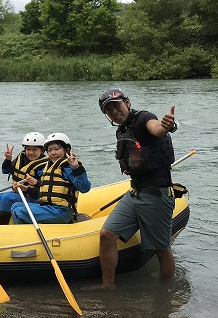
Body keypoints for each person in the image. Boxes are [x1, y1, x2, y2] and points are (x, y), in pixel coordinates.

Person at [96, 88, 177, 287]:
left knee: (161, 250)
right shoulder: (121, 130)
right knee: (106, 235)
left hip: (156, 194)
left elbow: (156, 128)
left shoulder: (143, 118)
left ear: (128, 103)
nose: (115, 112)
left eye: (117, 105)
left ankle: (165, 294)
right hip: (135, 193)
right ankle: (108, 287)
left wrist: (168, 126)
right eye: (109, 110)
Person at [10, 132, 90, 225]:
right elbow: (46, 189)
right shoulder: (48, 166)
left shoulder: (68, 167)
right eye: (49, 150)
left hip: (61, 211)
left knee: (19, 211)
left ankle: (23, 234)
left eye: (56, 149)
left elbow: (84, 188)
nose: (53, 153)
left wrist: (76, 167)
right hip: (47, 207)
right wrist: (25, 188)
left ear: (66, 150)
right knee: (15, 206)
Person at [0, 132, 48, 225]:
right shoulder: (21, 157)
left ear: (42, 151)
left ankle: (3, 227)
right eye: (28, 149)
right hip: (18, 193)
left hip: (34, 197)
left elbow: (43, 187)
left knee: (7, 198)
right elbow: (5, 171)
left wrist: (35, 183)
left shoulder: (44, 165)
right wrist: (8, 160)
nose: (30, 152)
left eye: (35, 149)